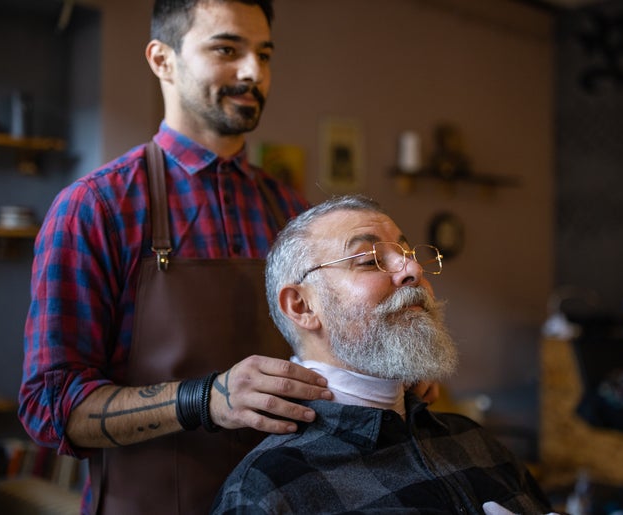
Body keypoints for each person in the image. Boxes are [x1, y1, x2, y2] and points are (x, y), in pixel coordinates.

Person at [18, 1, 337, 513]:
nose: (254, 71)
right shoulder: (94, 208)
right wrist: (206, 399)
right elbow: (51, 407)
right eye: (227, 49)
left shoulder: (294, 213)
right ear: (162, 60)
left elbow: (324, 355)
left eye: (265, 53)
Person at [211, 195, 555, 514]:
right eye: (369, 260)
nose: (414, 270)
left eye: (409, 255)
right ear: (302, 306)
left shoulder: (473, 440)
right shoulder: (267, 492)